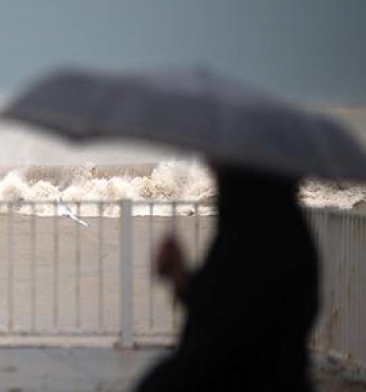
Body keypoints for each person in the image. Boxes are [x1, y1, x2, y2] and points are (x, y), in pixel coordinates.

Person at [136, 164, 319, 392]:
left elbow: (227, 324)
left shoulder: (254, 236)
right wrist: (179, 275)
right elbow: (222, 298)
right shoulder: (278, 228)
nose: (213, 171)